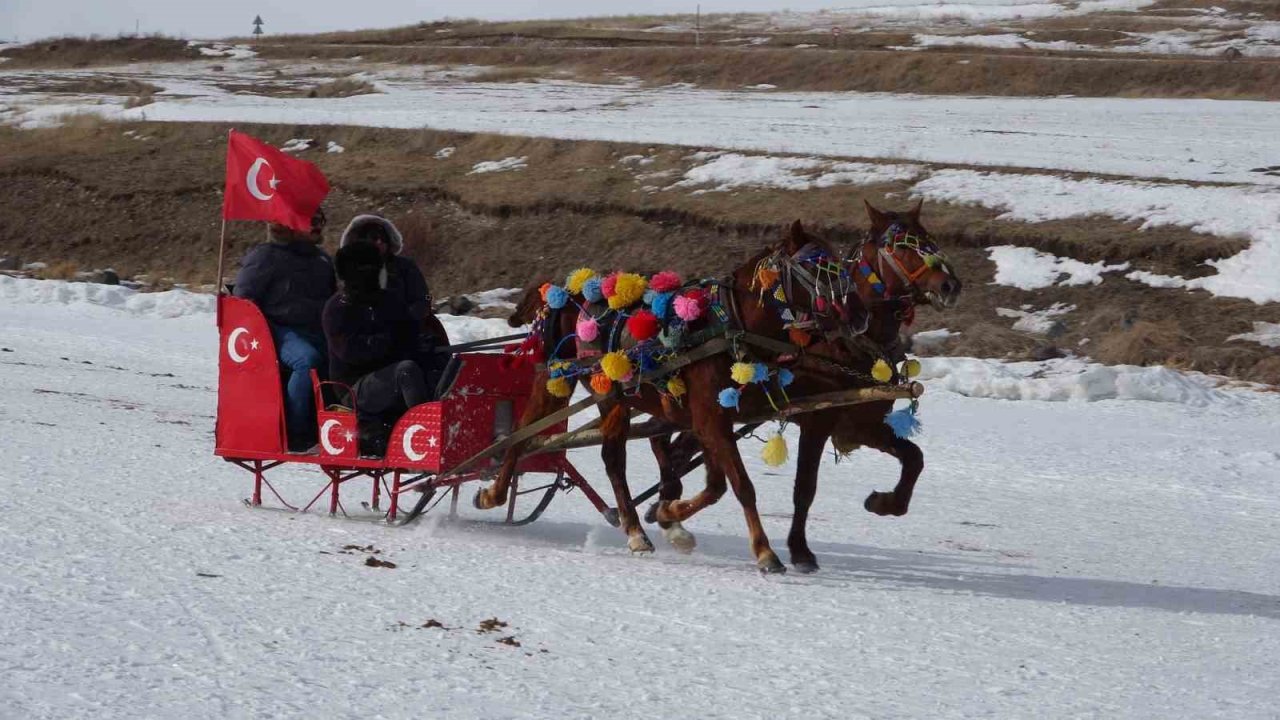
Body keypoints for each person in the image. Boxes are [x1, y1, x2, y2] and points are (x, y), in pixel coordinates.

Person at [233, 208, 335, 453]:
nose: (317, 225)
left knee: (345, 358)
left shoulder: (322, 260)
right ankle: (296, 433)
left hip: (317, 330)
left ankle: (335, 428)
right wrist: (260, 334)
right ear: (291, 223)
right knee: (306, 360)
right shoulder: (267, 255)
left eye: (320, 220)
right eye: (311, 219)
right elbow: (243, 298)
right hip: (278, 329)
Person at [323, 242, 435, 456]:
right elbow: (352, 352)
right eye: (370, 270)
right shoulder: (337, 308)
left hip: (387, 376)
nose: (377, 275)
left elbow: (408, 331)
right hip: (353, 388)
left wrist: (422, 344)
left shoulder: (388, 301)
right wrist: (391, 341)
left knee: (439, 367)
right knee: (407, 371)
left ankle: (447, 428)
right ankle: (423, 440)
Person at [338, 215, 432, 320]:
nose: (379, 242)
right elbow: (341, 305)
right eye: (373, 237)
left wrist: (405, 320)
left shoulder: (405, 266)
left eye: (384, 237)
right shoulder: (350, 268)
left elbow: (422, 299)